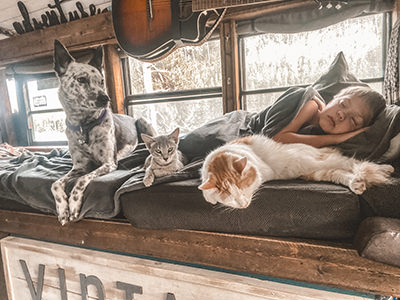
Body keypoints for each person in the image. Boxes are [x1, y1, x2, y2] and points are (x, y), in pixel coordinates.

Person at [272, 86, 386, 148]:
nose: (341, 114)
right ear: (332, 100)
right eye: (342, 104)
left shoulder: (320, 133)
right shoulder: (311, 105)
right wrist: (337, 138)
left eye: (353, 120)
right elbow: (276, 139)